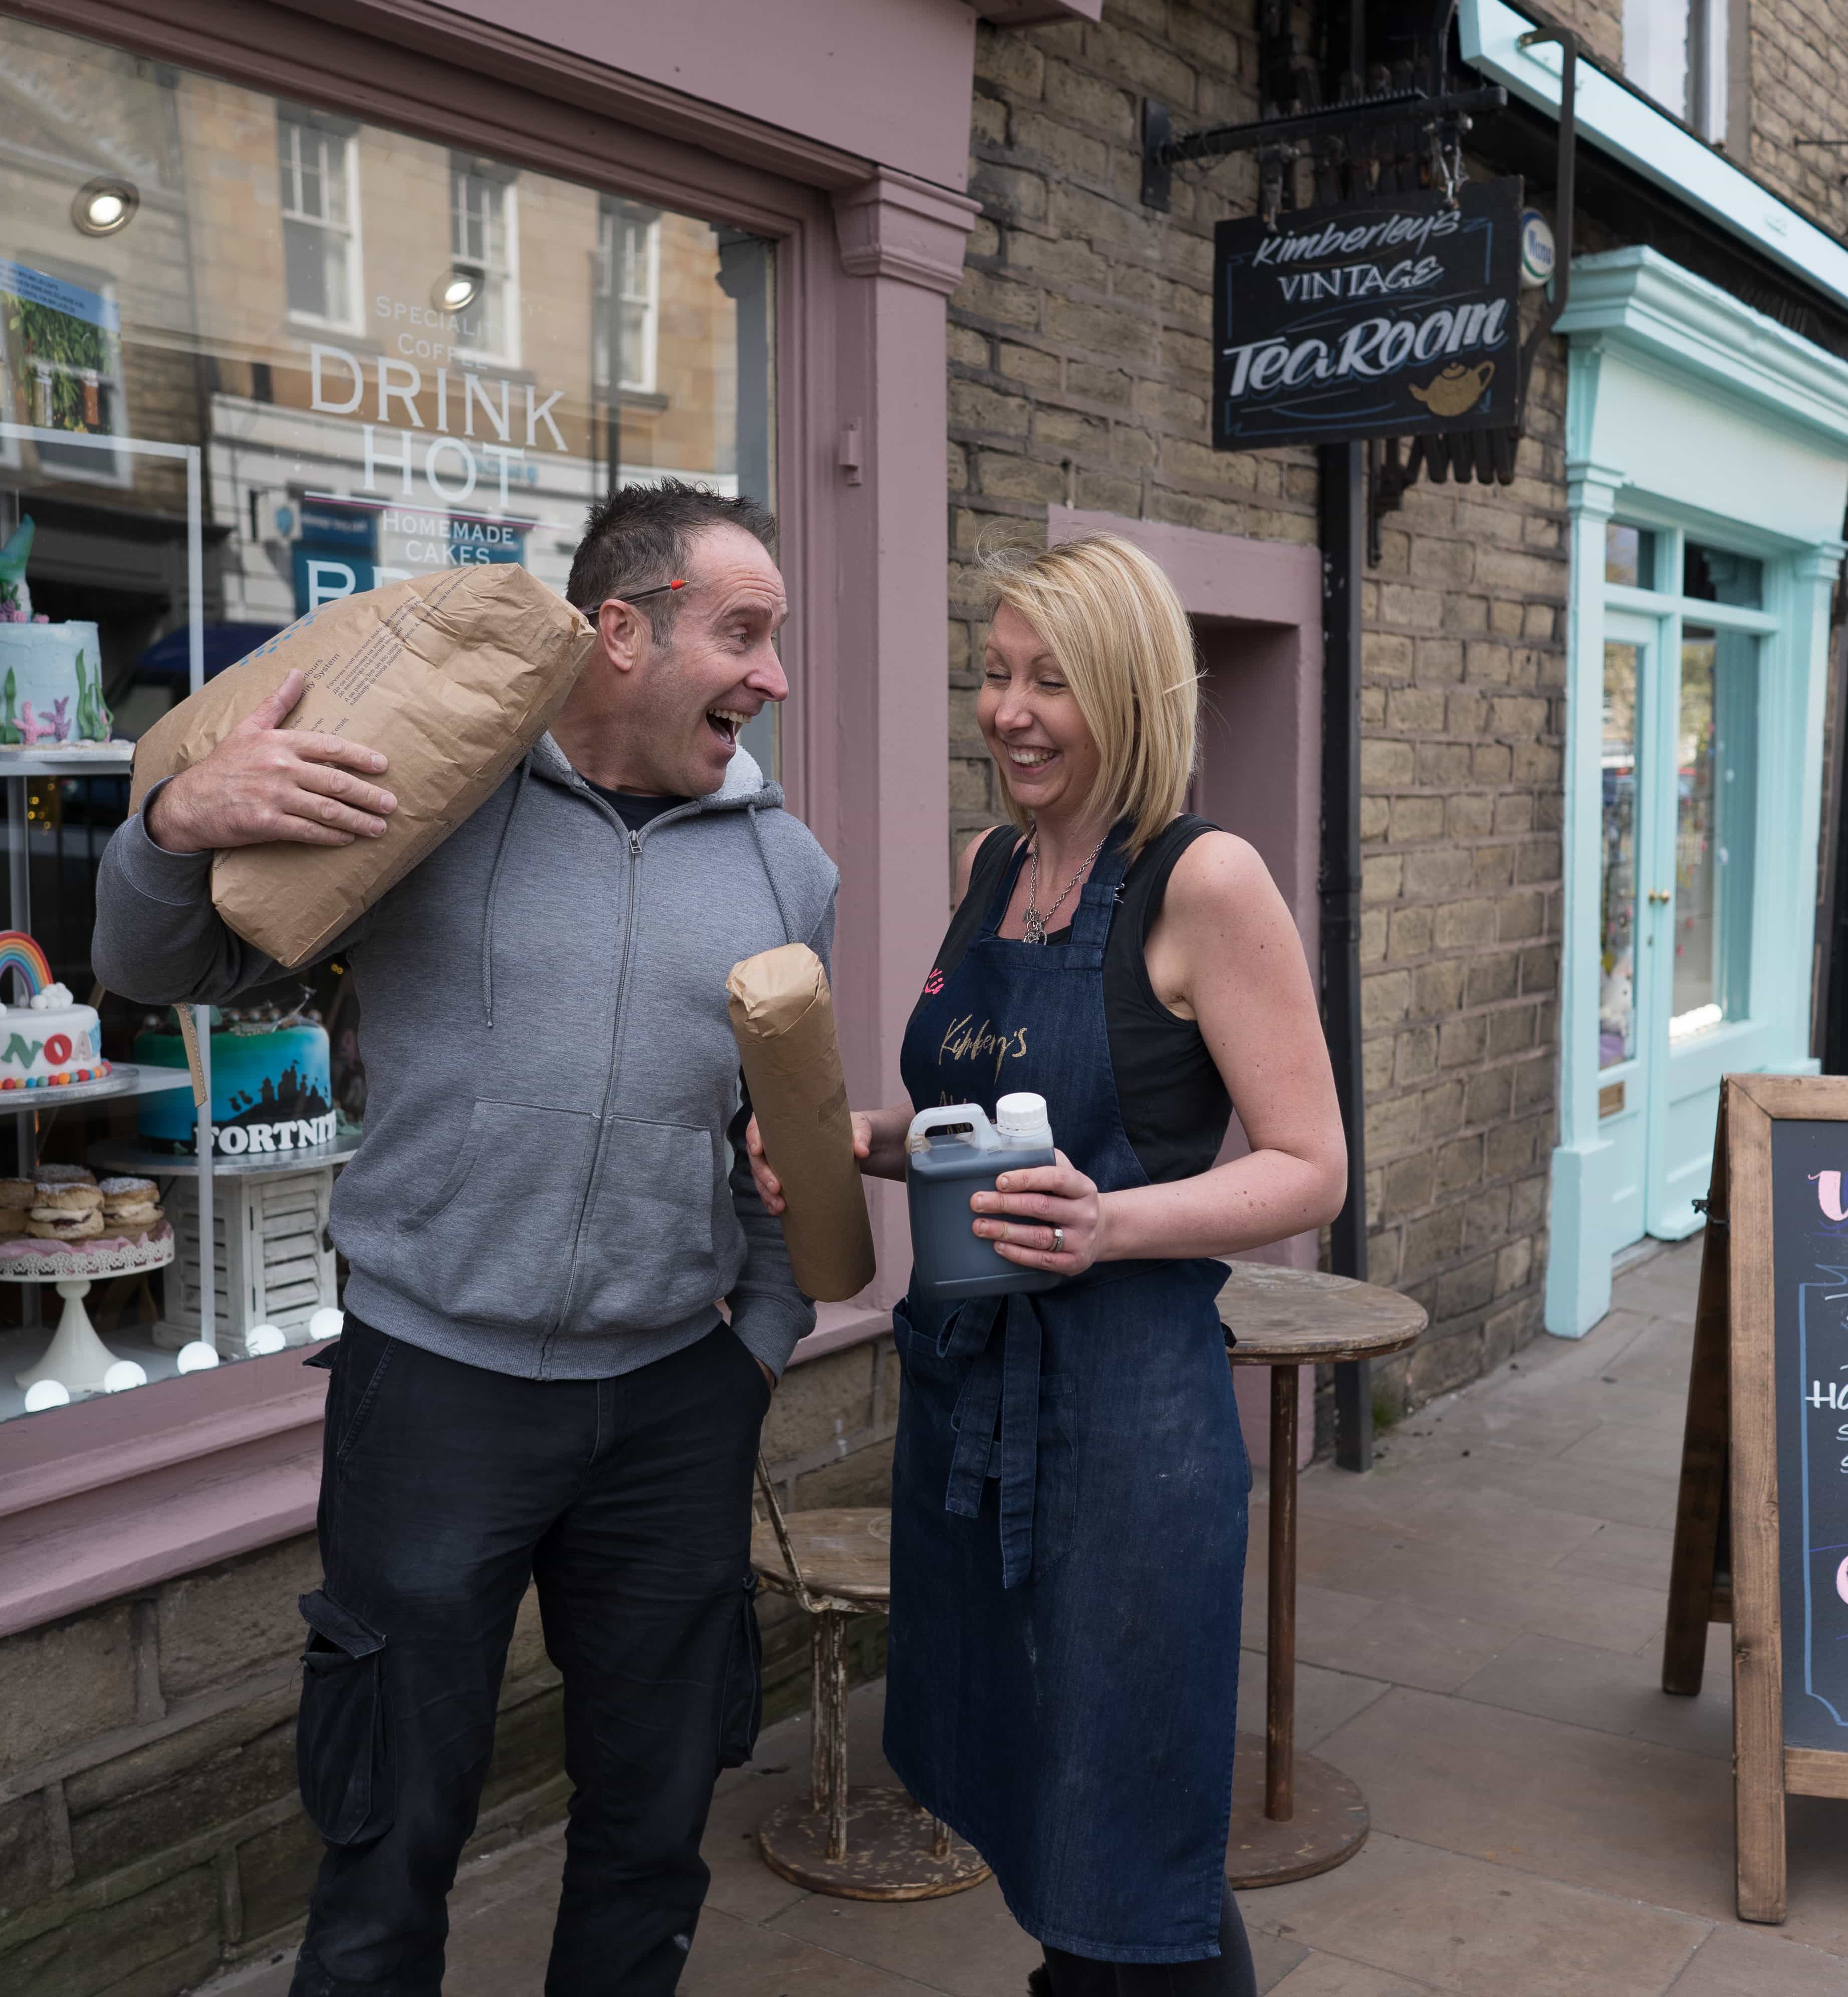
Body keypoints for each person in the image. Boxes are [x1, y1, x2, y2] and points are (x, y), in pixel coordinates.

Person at [92, 481, 837, 1997]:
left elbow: (787, 1117)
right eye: (743, 635)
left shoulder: (787, 868)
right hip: (434, 1391)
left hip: (673, 1405)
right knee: (389, 1832)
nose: (773, 678)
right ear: (619, 633)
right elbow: (149, 961)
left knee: (654, 1822)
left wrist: (758, 1342)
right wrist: (177, 824)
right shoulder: (425, 801)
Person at [750, 536, 1348, 1996]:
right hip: (967, 1408)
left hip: (1130, 1424)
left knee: (1135, 1836)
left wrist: (1110, 1224)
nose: (1009, 710)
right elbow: (980, 1125)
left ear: (1134, 697)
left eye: (1052, 683)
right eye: (996, 673)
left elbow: (1311, 1164)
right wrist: (860, 1145)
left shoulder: (1206, 882)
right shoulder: (993, 866)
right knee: (1035, 1797)